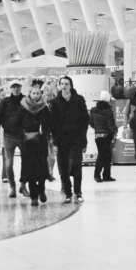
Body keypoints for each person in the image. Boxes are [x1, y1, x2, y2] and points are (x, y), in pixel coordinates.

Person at [50, 75, 90, 203]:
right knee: (63, 168)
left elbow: (85, 119)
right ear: (59, 85)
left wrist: (83, 138)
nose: (64, 86)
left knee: (77, 165)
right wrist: (54, 141)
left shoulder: (79, 100)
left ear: (71, 85)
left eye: (66, 84)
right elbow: (53, 123)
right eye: (62, 84)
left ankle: (78, 192)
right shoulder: (55, 102)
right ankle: (67, 192)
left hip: (77, 138)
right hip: (61, 140)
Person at [15, 80, 52, 206]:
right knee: (30, 169)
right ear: (29, 94)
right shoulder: (23, 107)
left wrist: (45, 133)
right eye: (33, 93)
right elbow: (17, 123)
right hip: (27, 142)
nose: (35, 96)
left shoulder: (44, 107)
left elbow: (48, 124)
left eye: (37, 93)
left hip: (40, 142)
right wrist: (21, 134)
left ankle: (41, 190)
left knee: (41, 167)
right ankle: (34, 196)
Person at [0, 79, 27, 198]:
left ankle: (23, 185)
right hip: (8, 136)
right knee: (8, 163)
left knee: (26, 162)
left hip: (24, 136)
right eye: (13, 87)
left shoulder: (25, 100)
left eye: (18, 86)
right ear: (10, 88)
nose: (16, 89)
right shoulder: (5, 101)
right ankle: (12, 186)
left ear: (21, 87)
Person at [90, 90, 117, 182]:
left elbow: (91, 123)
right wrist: (115, 131)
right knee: (106, 155)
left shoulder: (93, 110)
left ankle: (103, 175)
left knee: (102, 154)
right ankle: (101, 175)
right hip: (107, 135)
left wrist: (97, 129)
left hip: (98, 135)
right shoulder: (109, 111)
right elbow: (111, 125)